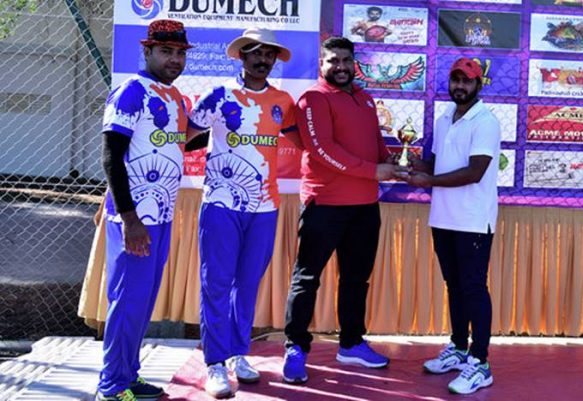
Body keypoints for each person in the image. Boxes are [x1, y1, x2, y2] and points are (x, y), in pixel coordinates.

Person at [186, 28, 302, 399]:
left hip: (265, 207)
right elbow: (185, 136)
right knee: (217, 283)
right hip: (221, 205)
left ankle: (238, 353)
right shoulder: (218, 95)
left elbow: (305, 142)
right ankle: (215, 362)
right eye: (256, 53)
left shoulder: (283, 101)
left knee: (248, 284)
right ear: (241, 56)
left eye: (269, 54)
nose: (263, 60)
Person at [282, 36, 400, 384]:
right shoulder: (313, 99)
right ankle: (295, 347)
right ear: (321, 64)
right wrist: (373, 171)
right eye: (333, 61)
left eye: (346, 60)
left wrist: (391, 161)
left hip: (365, 206)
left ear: (354, 63)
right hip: (325, 205)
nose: (341, 67)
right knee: (307, 278)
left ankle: (351, 344)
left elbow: (375, 141)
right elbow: (321, 151)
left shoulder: (365, 98)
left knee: (356, 279)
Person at [96, 19, 191, 401]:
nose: (174, 59)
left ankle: (128, 375)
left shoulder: (174, 96)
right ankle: (111, 387)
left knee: (141, 303)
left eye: (180, 53)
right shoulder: (131, 91)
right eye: (166, 51)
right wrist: (130, 219)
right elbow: (110, 157)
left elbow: (176, 143)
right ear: (147, 51)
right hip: (134, 220)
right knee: (127, 303)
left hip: (161, 217)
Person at [398, 57, 501, 395]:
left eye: (467, 81)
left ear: (478, 85)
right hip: (443, 218)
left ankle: (480, 363)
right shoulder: (444, 117)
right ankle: (458, 348)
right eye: (456, 80)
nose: (460, 86)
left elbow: (474, 172)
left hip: (472, 220)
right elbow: (438, 164)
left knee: (473, 288)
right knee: (454, 286)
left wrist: (428, 181)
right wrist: (417, 165)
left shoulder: (485, 122)